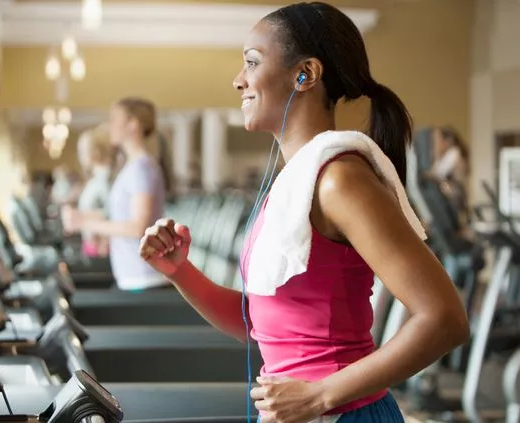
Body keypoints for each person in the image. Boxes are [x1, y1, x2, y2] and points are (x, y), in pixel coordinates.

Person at [138, 3, 469, 423]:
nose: (238, 80)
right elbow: (259, 326)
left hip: (337, 413)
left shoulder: (339, 180)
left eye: (252, 63)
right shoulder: (293, 184)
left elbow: (444, 319)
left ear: (305, 75)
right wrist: (179, 270)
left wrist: (318, 396)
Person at [63, 97, 170, 290]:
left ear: (133, 124)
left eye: (115, 119)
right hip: (131, 276)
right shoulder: (131, 166)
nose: (110, 125)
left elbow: (138, 227)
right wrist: (86, 217)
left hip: (143, 278)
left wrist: (86, 223)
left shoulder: (142, 168)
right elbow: (121, 215)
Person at [73, 125, 120, 257]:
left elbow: (112, 214)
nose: (80, 156)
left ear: (96, 152)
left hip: (102, 248)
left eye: (82, 150)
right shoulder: (97, 178)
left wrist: (80, 218)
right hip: (92, 243)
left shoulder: (107, 179)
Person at [428, 126, 470, 221]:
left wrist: (436, 153)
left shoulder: (454, 153)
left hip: (455, 192)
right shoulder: (452, 153)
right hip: (455, 191)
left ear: (446, 141)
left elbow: (439, 173)